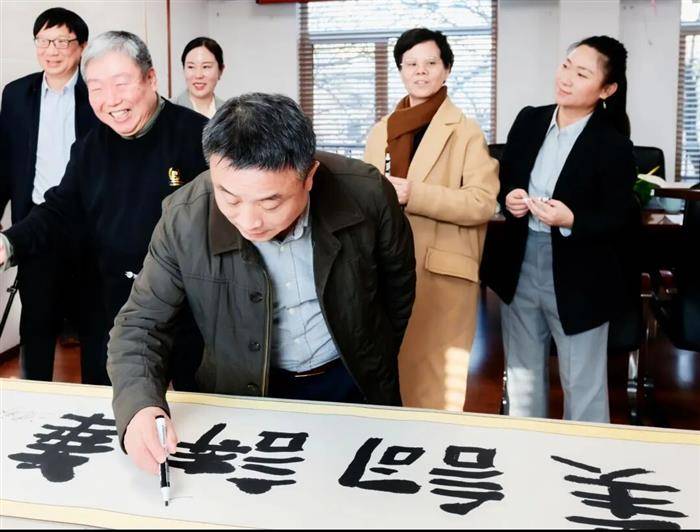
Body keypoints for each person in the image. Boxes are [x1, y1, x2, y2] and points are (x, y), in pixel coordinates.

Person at [106, 92, 416, 474]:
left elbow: (398, 287)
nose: (249, 221)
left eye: (270, 203)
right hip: (241, 389)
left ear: (309, 177)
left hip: (350, 379)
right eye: (229, 198)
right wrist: (140, 406)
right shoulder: (184, 217)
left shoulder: (367, 194)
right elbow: (141, 325)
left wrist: (373, 351)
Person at [0, 31, 208, 386]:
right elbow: (59, 210)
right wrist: (9, 243)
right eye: (96, 87)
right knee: (111, 403)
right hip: (113, 309)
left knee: (198, 405)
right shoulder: (90, 147)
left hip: (189, 309)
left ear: (151, 78)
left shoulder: (198, 137)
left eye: (121, 83)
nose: (110, 100)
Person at [480, 36, 638, 423]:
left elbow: (620, 219)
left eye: (582, 74)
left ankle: (583, 457)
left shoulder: (614, 144)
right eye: (566, 65)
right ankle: (525, 453)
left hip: (580, 274)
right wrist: (510, 197)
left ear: (606, 90)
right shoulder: (530, 120)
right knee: (522, 381)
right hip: (521, 264)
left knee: (582, 385)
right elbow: (506, 179)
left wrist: (572, 220)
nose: (566, 78)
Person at [364, 28, 499, 412]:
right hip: (386, 269)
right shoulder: (381, 131)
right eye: (410, 64)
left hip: (440, 273)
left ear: (447, 69)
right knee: (388, 379)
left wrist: (414, 194)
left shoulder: (466, 131)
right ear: (400, 70)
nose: (420, 71)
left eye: (430, 63)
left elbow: (482, 203)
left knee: (436, 388)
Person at [0, 7, 99, 381]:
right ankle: (34, 398)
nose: (51, 50)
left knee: (94, 322)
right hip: (37, 223)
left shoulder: (96, 93)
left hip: (89, 225)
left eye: (61, 41)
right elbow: (5, 163)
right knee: (37, 323)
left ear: (81, 46)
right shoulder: (16, 94)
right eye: (43, 41)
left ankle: (97, 401)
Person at [172, 37, 225, 119]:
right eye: (191, 67)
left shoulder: (231, 113)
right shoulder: (167, 110)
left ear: (221, 70)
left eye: (206, 67)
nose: (198, 75)